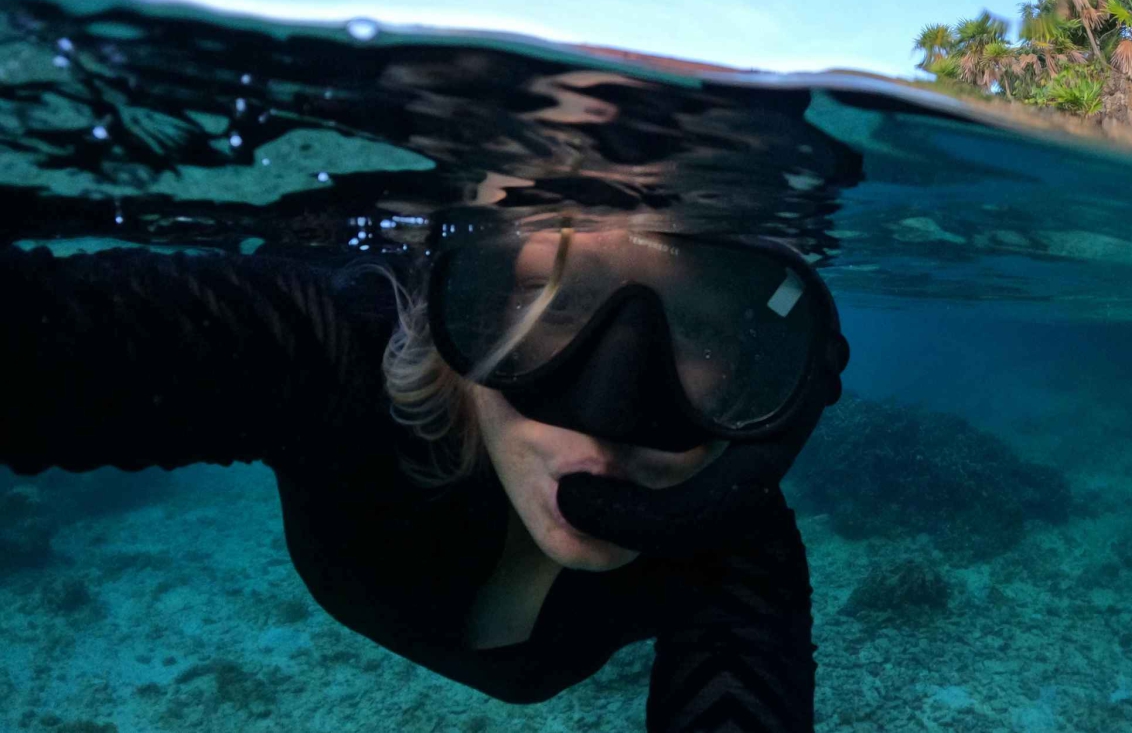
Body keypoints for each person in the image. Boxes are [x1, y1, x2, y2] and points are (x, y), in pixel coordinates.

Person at [1, 218, 850, 733]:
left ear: (763, 368)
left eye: (699, 331)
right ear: (469, 302)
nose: (611, 409)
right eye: (552, 299)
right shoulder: (339, 357)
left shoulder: (731, 536)